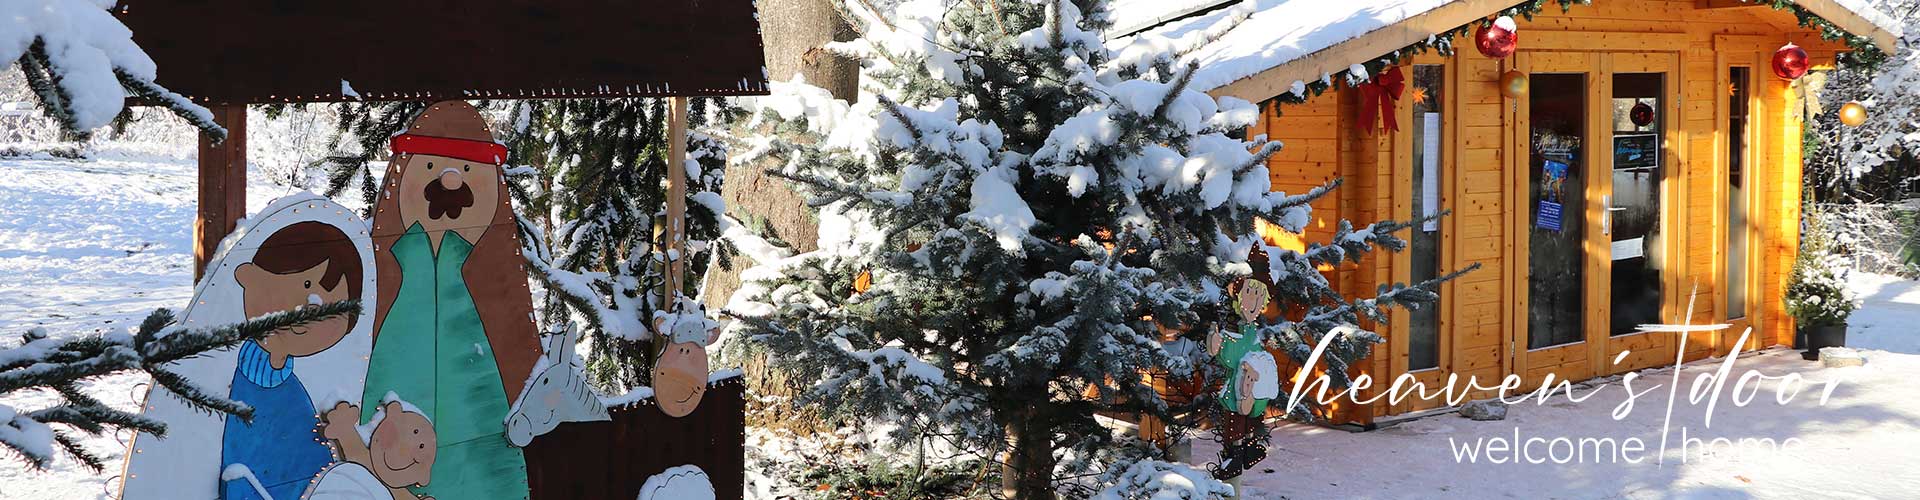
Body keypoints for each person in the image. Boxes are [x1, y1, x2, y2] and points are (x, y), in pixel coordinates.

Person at [219, 222, 364, 500]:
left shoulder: (291, 388)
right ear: (250, 278)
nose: (312, 304)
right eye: (307, 285)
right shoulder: (243, 387)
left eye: (332, 299)